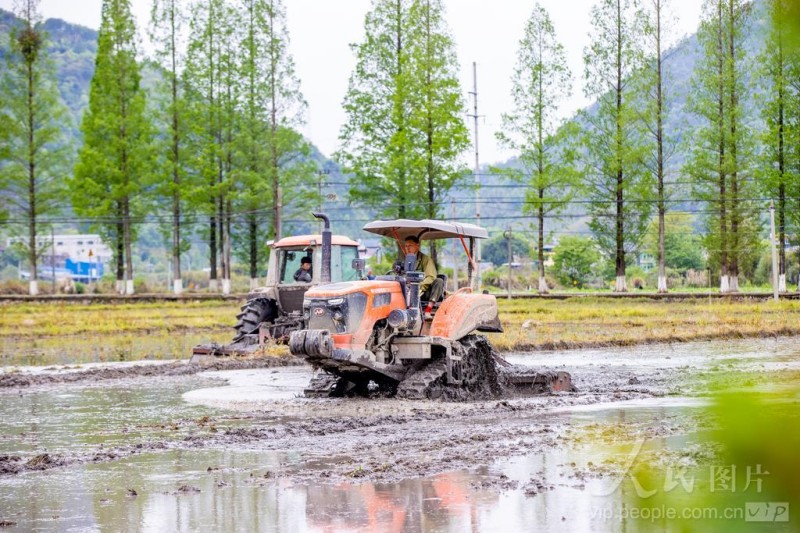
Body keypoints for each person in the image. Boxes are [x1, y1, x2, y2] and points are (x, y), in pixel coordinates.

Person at [403, 236, 444, 302]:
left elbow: (431, 277)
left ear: (417, 246)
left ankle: (429, 308)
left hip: (423, 291)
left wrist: (418, 286)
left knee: (439, 281)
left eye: (410, 245)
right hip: (408, 289)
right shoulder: (406, 260)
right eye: (406, 246)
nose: (407, 248)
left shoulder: (426, 259)